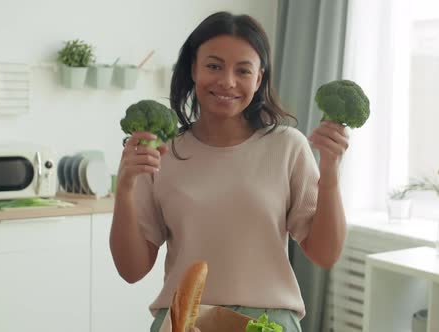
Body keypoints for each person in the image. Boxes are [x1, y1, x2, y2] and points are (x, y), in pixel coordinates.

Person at [110, 11, 349, 332]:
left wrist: (331, 173)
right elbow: (131, 270)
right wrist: (124, 188)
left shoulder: (287, 146)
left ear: (259, 79)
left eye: (243, 70)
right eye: (214, 66)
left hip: (267, 322)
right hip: (183, 322)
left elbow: (325, 254)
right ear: (193, 68)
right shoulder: (161, 152)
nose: (227, 81)